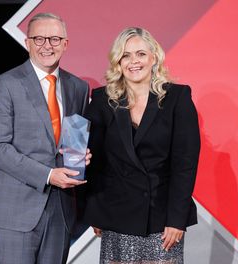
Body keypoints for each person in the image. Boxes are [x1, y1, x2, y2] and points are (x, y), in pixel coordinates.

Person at [83, 27, 200, 264]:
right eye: (126, 55)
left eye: (140, 54)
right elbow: (94, 162)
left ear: (153, 57)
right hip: (116, 215)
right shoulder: (102, 100)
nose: (133, 61)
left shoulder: (177, 98)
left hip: (162, 218)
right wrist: (96, 210)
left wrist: (177, 219)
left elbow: (184, 165)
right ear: (118, 61)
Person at [0, 13, 90, 264]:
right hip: (14, 210)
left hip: (60, 211)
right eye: (39, 39)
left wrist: (82, 156)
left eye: (54, 39)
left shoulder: (78, 87)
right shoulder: (5, 84)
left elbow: (74, 141)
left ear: (65, 44)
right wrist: (49, 175)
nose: (47, 46)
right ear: (27, 43)